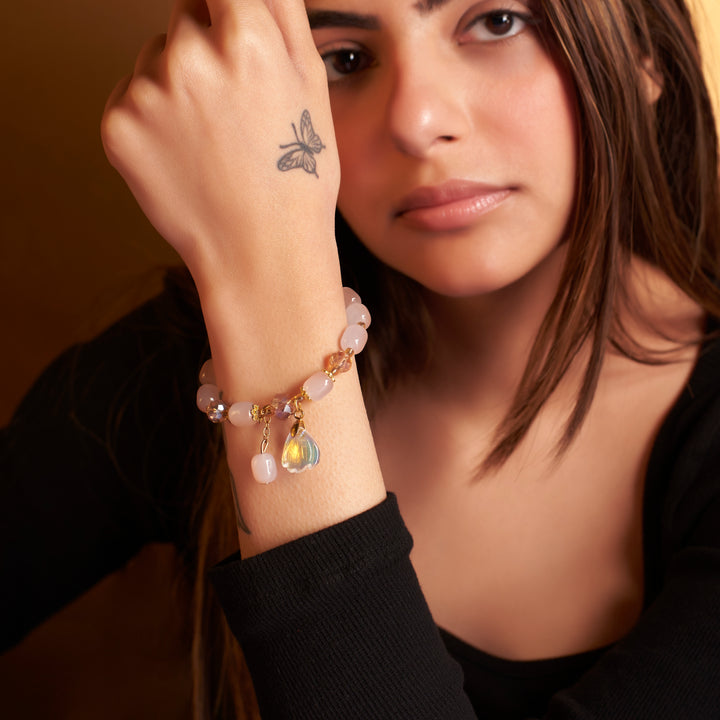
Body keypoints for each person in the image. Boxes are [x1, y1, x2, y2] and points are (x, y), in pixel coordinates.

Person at [3, 0, 720, 717]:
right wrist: (260, 287)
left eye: (497, 22)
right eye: (342, 59)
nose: (416, 120)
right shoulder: (201, 363)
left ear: (643, 53)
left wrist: (266, 291)